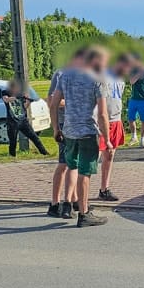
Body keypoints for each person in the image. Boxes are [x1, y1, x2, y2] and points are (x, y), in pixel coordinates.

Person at [49, 47, 112, 227]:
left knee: (72, 166)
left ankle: (70, 204)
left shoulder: (66, 76)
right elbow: (102, 114)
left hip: (69, 132)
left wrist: (56, 128)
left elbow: (53, 104)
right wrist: (107, 139)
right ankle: (84, 214)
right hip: (87, 132)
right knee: (85, 173)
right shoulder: (98, 80)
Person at [46, 49, 85, 218]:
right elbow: (51, 100)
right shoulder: (60, 74)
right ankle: (55, 203)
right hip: (63, 124)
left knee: (73, 164)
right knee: (64, 164)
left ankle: (74, 200)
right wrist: (73, 102)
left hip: (77, 125)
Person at [98, 54, 130, 202]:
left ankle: (104, 189)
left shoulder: (121, 80)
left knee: (110, 155)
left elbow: (117, 99)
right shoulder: (103, 77)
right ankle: (79, 195)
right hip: (101, 121)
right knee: (93, 159)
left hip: (115, 120)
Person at [2, 80, 50, 157]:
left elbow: (24, 107)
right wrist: (16, 97)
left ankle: (44, 152)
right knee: (13, 140)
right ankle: (12, 155)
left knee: (34, 137)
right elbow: (6, 100)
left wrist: (29, 101)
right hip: (12, 121)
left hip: (23, 120)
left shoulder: (21, 94)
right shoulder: (5, 92)